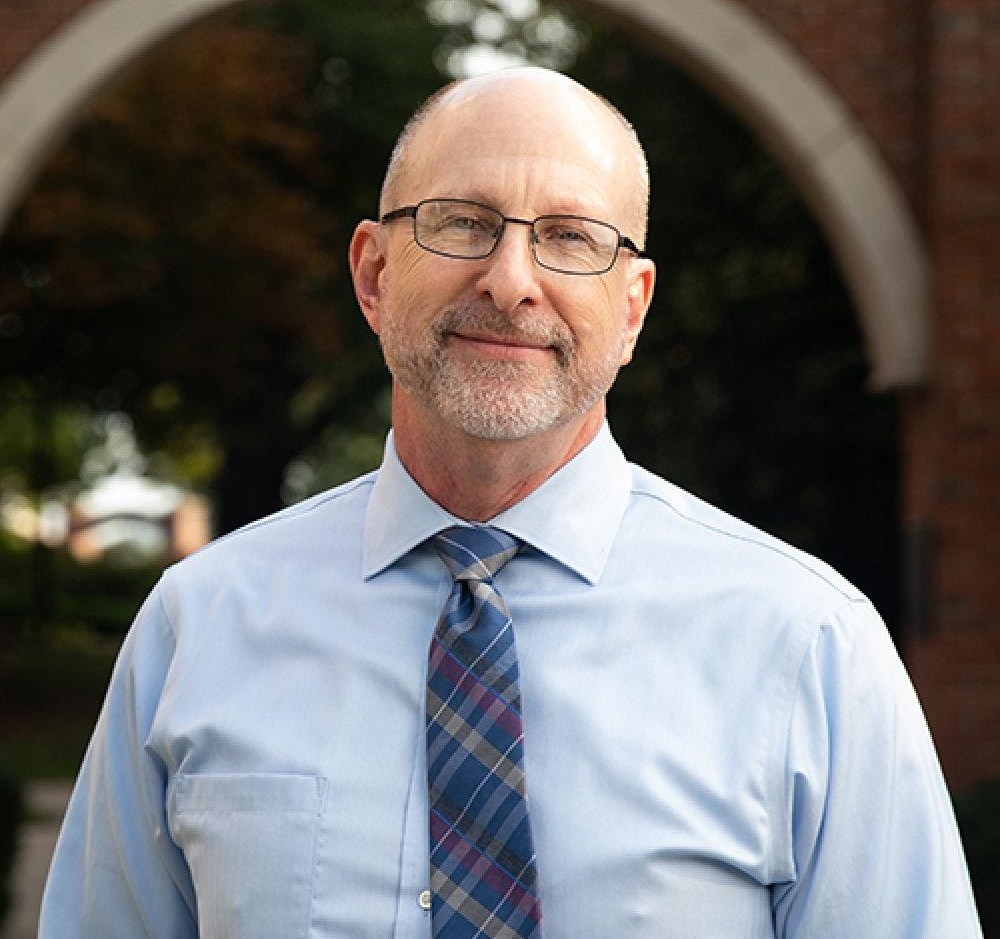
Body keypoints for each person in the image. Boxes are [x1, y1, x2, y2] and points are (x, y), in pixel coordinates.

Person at [39, 67, 982, 938]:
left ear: (632, 307)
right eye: (461, 222)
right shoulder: (200, 625)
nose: (512, 281)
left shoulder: (806, 644)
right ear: (373, 275)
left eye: (572, 238)